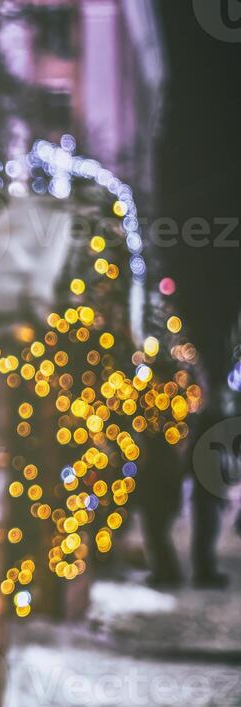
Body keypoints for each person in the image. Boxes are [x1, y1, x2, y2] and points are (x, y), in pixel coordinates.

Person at [149, 0, 241, 587]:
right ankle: (179, 563)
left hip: (194, 387)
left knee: (194, 474)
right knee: (172, 478)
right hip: (178, 390)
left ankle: (193, 563)